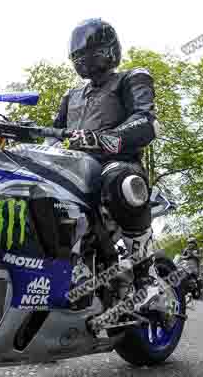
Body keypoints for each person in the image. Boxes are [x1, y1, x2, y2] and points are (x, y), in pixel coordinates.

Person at [54, 18, 159, 275]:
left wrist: (106, 138)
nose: (81, 59)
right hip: (76, 170)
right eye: (76, 55)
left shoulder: (132, 78)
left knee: (119, 179)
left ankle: (146, 274)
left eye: (86, 53)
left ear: (108, 50)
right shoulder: (71, 95)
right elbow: (54, 134)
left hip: (117, 164)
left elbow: (145, 120)